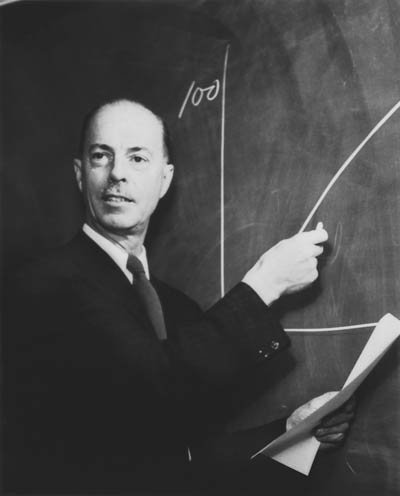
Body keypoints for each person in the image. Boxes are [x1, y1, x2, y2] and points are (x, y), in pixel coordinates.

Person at [3, 99, 355, 493]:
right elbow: (148, 393)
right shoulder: (42, 285)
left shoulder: (178, 307)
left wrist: (290, 431)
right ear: (80, 174)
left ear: (165, 179)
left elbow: (179, 455)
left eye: (138, 158)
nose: (117, 173)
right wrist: (265, 283)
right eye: (101, 155)